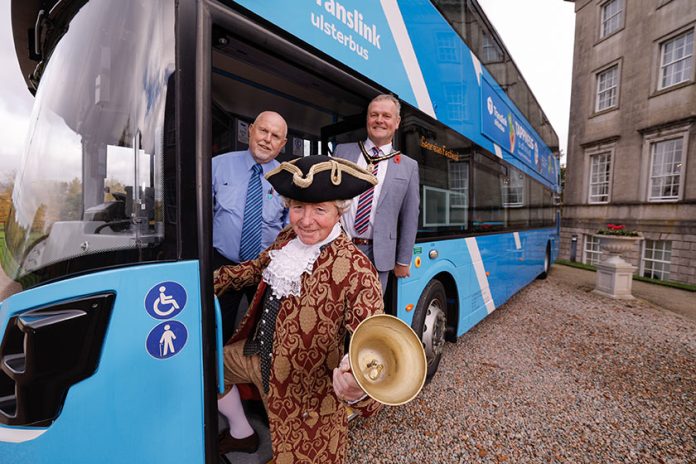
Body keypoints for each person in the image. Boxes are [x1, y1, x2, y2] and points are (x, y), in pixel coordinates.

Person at [214, 155, 384, 462]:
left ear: (339, 212)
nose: (306, 221)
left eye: (319, 210)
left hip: (305, 391)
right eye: (297, 208)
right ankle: (243, 432)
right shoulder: (286, 239)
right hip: (254, 355)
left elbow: (373, 343)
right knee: (209, 369)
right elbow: (255, 269)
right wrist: (201, 282)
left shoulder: (357, 268)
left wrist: (356, 385)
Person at [212, 111, 289, 341]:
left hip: (266, 266)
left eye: (275, 136)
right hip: (222, 264)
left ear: (282, 144)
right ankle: (220, 374)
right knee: (218, 327)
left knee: (262, 331)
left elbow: (289, 227)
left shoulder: (287, 178)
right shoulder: (216, 166)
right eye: (263, 131)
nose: (267, 139)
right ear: (251, 130)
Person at [333, 94, 419, 293]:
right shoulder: (342, 152)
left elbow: (410, 217)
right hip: (338, 247)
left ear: (396, 122)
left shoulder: (408, 166)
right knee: (331, 312)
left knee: (368, 318)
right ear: (367, 119)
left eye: (386, 116)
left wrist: (403, 259)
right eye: (374, 115)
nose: (379, 120)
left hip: (378, 255)